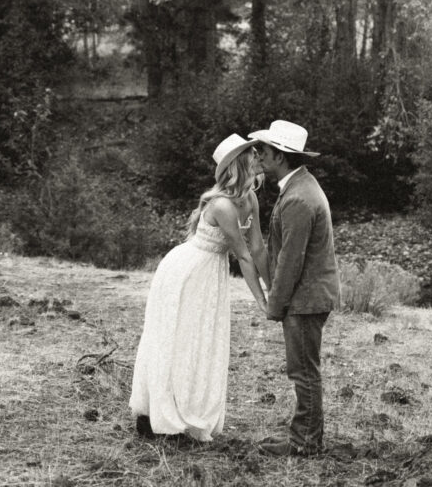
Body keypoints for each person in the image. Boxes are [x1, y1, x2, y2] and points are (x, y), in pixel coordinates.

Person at [129, 133, 269, 442]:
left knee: (202, 340)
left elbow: (258, 248)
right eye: (254, 154)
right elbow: (243, 255)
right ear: (241, 163)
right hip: (188, 271)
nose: (260, 157)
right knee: (178, 337)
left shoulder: (251, 199)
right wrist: (261, 300)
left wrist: (273, 290)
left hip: (210, 272)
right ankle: (158, 414)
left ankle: (185, 411)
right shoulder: (222, 206)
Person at [252, 120, 340, 457]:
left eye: (264, 151)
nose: (258, 155)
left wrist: (274, 306)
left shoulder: (299, 198)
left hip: (306, 298)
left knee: (303, 371)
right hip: (309, 295)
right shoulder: (299, 186)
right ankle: (307, 439)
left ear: (280, 156)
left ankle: (305, 443)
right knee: (305, 369)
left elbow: (290, 261)